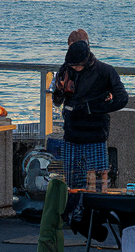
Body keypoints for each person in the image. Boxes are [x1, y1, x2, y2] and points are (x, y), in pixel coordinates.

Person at [51, 40, 127, 191]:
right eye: (71, 65)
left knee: (97, 185)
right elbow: (57, 101)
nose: (74, 68)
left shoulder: (105, 71)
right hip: (71, 134)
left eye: (76, 65)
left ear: (85, 61)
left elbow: (122, 98)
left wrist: (97, 108)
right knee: (72, 185)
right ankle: (75, 205)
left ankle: (96, 203)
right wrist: (59, 90)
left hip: (95, 134)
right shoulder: (66, 69)